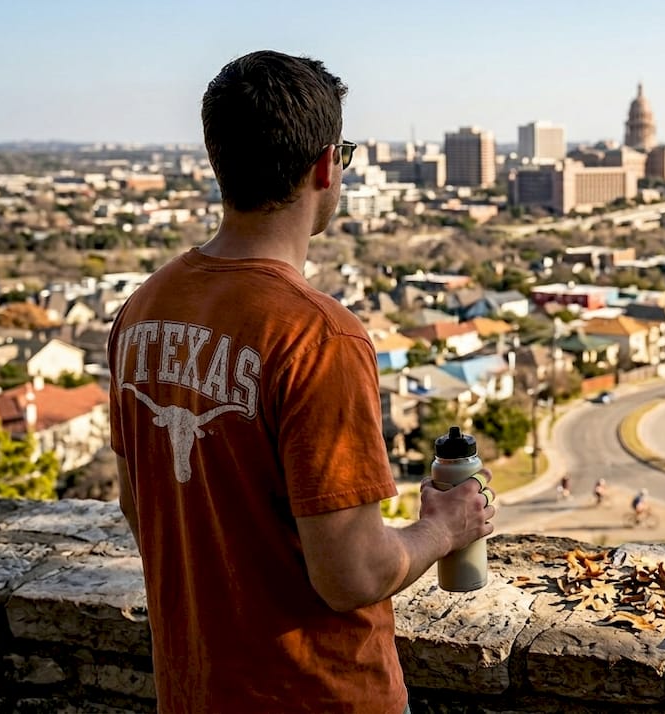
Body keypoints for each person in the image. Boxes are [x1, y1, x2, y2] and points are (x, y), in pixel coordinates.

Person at [108, 51, 494, 714]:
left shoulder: (142, 311)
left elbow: (140, 507)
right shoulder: (319, 338)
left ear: (218, 159)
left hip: (196, 688)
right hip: (317, 693)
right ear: (327, 165)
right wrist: (444, 526)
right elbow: (353, 575)